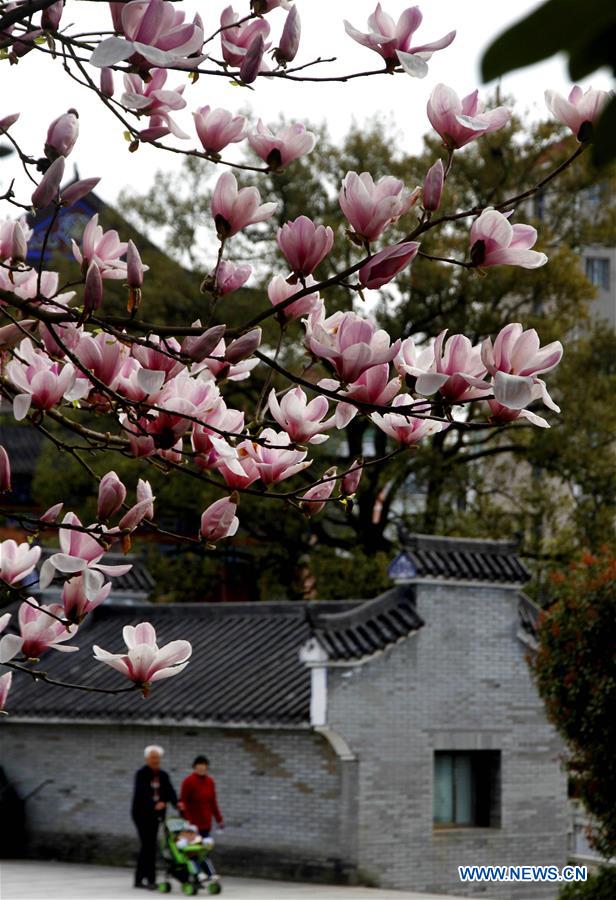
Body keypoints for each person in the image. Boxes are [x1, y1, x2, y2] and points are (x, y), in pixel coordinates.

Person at [131, 744, 180, 890]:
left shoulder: (163, 775)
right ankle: (150, 880)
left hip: (157, 816)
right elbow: (143, 793)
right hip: (142, 815)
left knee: (147, 847)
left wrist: (178, 804)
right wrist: (154, 804)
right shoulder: (141, 774)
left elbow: (170, 792)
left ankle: (139, 879)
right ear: (147, 759)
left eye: (157, 757)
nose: (155, 760)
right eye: (152, 757)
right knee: (149, 847)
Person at [180, 755, 224, 838]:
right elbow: (183, 802)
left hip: (206, 823)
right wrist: (188, 822)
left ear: (206, 767)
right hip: (192, 825)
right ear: (194, 766)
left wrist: (219, 819)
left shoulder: (210, 782)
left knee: (205, 848)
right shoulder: (188, 781)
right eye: (199, 765)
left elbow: (213, 802)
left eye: (204, 765)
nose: (201, 767)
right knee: (192, 850)